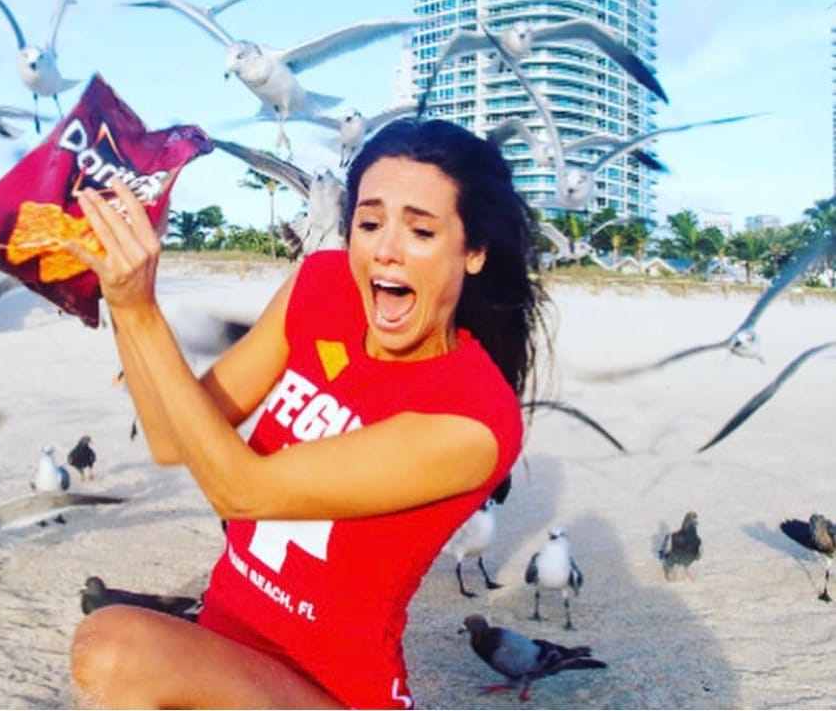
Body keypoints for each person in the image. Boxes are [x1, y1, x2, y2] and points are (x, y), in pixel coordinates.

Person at [68, 117, 549, 709]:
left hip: (335, 692)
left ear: (473, 251)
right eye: (369, 223)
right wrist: (123, 299)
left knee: (113, 644)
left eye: (420, 231)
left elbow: (240, 491)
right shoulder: (322, 286)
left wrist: (141, 312)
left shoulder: (472, 418)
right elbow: (174, 437)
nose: (386, 250)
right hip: (224, 651)